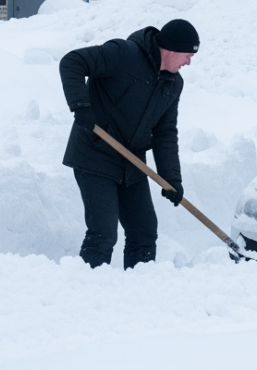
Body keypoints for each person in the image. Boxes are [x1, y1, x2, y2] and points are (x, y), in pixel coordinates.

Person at [58, 19, 200, 268]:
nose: (189, 62)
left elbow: (165, 133)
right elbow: (72, 61)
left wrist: (171, 178)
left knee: (144, 232)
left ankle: (139, 285)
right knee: (103, 233)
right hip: (95, 152)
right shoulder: (124, 54)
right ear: (171, 48)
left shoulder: (173, 84)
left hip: (131, 161)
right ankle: (87, 286)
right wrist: (80, 105)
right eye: (187, 55)